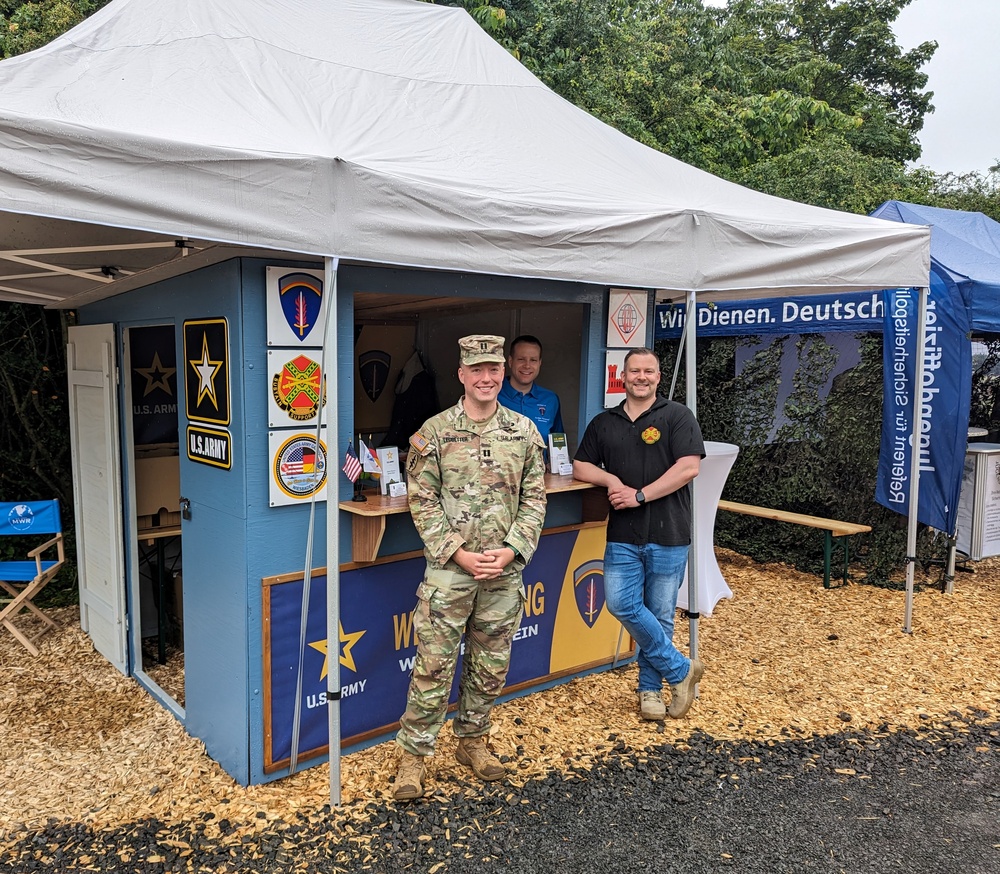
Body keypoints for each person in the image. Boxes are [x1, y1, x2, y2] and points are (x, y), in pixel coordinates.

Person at [392, 334, 547, 801]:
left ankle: (473, 740)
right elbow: (421, 500)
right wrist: (457, 552)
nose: (486, 378)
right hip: (450, 573)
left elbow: (535, 500)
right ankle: (413, 758)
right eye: (477, 370)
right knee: (434, 666)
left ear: (503, 372)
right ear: (461, 375)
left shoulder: (523, 432)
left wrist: (513, 550)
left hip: (503, 572)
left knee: (490, 666)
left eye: (493, 369)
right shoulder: (434, 432)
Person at [572, 347, 705, 722]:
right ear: (622, 377)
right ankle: (681, 670)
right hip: (623, 535)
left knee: (660, 614)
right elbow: (581, 464)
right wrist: (611, 479)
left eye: (649, 371)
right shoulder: (605, 422)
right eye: (634, 371)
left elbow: (689, 467)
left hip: (669, 531)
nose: (641, 377)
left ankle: (649, 691)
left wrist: (640, 495)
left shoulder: (678, 416)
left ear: (658, 377)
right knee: (621, 604)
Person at [497, 335, 564, 447]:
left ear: (539, 363)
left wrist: (554, 463)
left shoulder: (550, 399)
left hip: (539, 464)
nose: (527, 365)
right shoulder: (493, 394)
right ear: (510, 361)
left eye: (533, 360)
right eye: (521, 359)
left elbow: (558, 443)